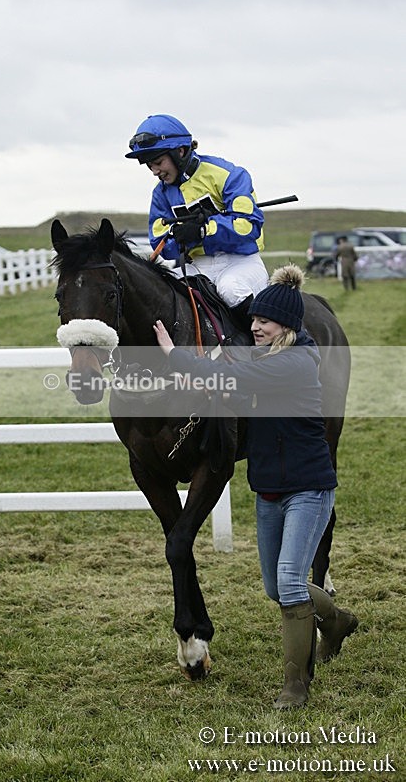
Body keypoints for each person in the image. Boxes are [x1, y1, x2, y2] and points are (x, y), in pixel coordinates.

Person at [153, 263, 358, 709]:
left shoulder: (296, 362)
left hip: (308, 488)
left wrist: (175, 356)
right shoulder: (261, 359)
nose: (255, 327)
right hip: (269, 491)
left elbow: (233, 380)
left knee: (289, 583)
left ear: (286, 326)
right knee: (276, 587)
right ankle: (336, 621)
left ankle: (296, 685)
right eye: (254, 320)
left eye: (265, 321)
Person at [125, 114, 268, 325]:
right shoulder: (160, 195)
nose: (155, 171)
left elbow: (248, 227)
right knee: (158, 291)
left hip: (241, 262)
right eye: (149, 165)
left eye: (158, 162)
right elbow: (161, 244)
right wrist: (180, 237)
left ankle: (266, 343)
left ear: (180, 152)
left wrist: (203, 231)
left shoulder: (229, 175)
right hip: (198, 267)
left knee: (230, 289)